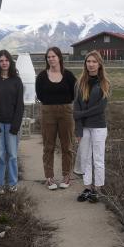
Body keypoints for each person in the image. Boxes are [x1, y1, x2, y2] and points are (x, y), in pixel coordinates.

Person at [35, 46, 76, 190]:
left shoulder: (69, 76)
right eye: (48, 57)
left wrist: (63, 103)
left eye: (53, 56)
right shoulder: (41, 76)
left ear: (59, 57)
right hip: (48, 111)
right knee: (48, 146)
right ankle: (49, 178)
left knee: (67, 146)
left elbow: (74, 93)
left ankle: (66, 176)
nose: (51, 59)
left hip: (66, 111)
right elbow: (39, 95)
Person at [73, 50, 110, 203]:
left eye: (94, 61)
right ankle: (88, 188)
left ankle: (98, 189)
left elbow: (100, 108)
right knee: (85, 158)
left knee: (98, 159)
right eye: (88, 61)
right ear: (85, 64)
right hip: (84, 127)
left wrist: (81, 114)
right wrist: (78, 128)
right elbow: (76, 106)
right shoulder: (79, 82)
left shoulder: (105, 83)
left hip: (99, 127)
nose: (91, 64)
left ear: (99, 64)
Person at [0, 50, 24, 194]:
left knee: (12, 155)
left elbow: (20, 105)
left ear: (10, 62)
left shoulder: (16, 81)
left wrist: (16, 125)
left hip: (12, 124)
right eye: (1, 61)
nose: (4, 63)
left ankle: (12, 183)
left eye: (6, 60)